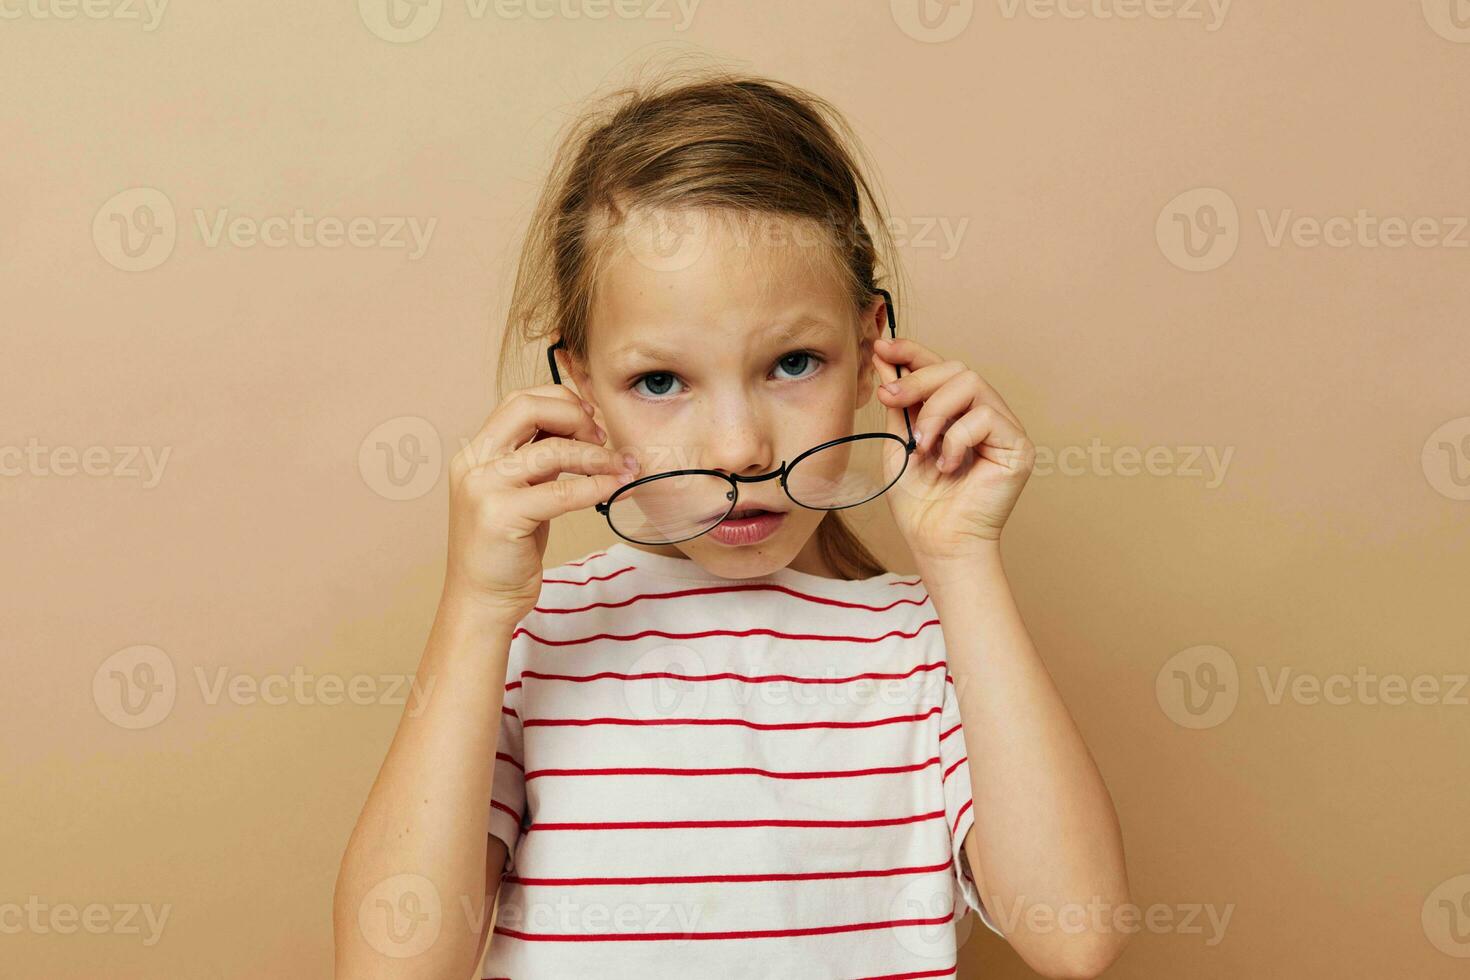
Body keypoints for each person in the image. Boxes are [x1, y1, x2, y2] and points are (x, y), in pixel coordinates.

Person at [334, 64, 1130, 980]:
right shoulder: (535, 637)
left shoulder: (926, 646)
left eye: (793, 362)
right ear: (583, 389)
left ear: (874, 351)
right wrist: (474, 609)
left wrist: (963, 560)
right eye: (660, 382)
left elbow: (1077, 936)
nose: (741, 446)